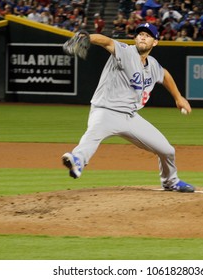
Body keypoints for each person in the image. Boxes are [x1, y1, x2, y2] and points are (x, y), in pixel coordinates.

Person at [62, 23, 195, 193]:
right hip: (105, 111)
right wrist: (88, 37)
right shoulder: (125, 52)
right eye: (140, 34)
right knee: (92, 136)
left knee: (167, 150)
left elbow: (165, 75)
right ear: (135, 38)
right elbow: (107, 42)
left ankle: (170, 182)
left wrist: (178, 97)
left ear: (155, 42)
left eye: (148, 35)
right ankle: (77, 160)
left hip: (130, 117)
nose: (143, 37)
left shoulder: (152, 65)